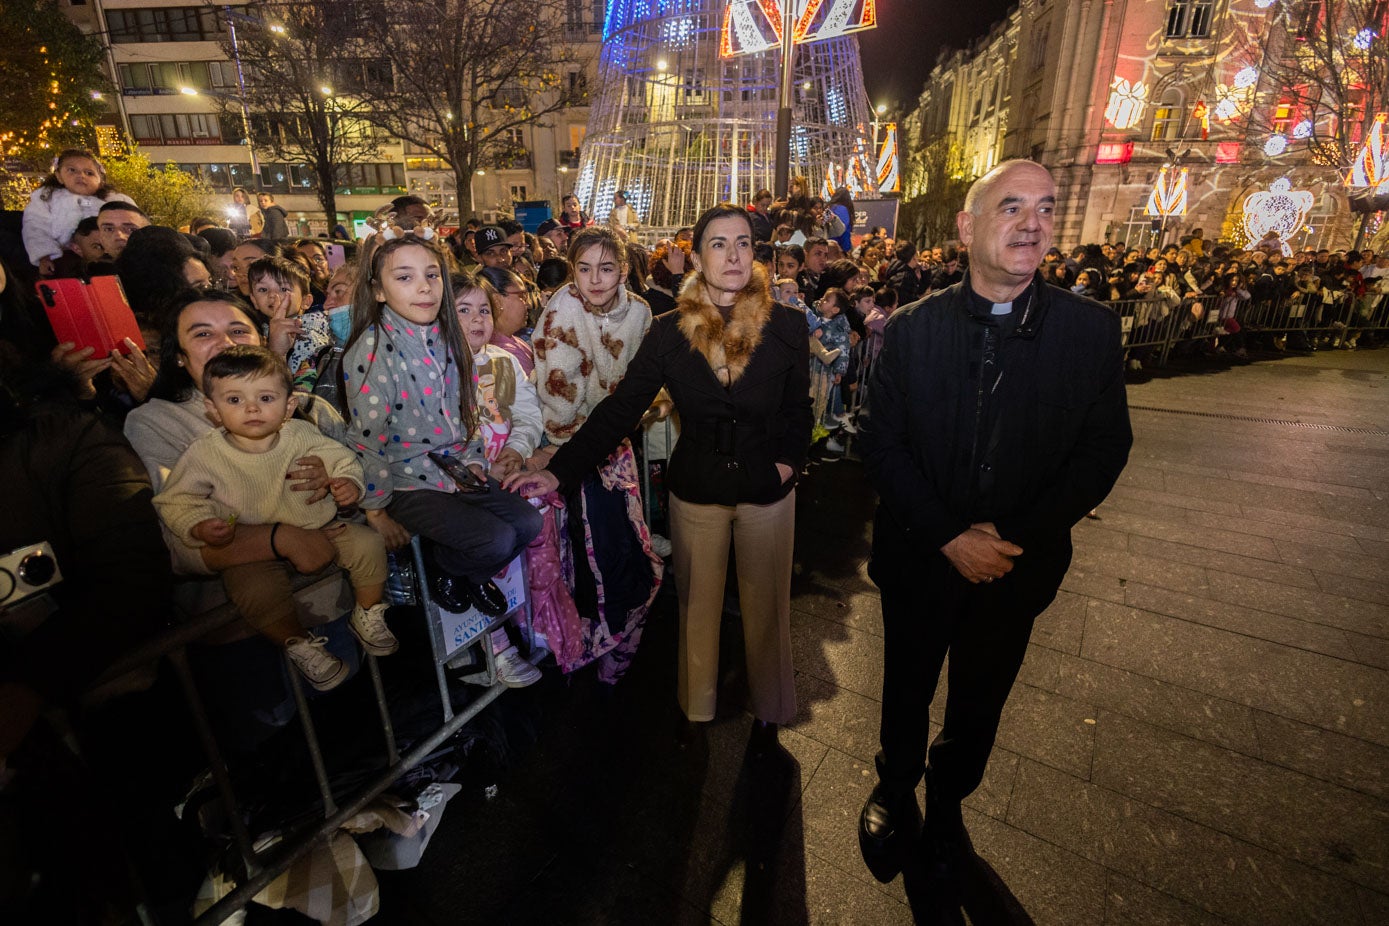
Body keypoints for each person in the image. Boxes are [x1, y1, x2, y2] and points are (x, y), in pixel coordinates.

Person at [856, 160, 1132, 888]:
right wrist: (950, 536)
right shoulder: (913, 330)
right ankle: (894, 788)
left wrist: (1010, 541)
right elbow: (878, 442)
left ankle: (948, 803)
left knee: (981, 693)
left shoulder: (1088, 331)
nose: (1031, 223)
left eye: (1044, 208)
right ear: (967, 226)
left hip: (1017, 566)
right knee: (906, 683)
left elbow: (1103, 447)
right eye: (1011, 207)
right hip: (919, 556)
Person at [506, 204, 812, 751]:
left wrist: (786, 467)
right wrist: (558, 471)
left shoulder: (786, 324)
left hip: (768, 489)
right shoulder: (670, 331)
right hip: (697, 488)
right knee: (697, 605)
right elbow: (620, 410)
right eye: (718, 244)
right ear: (696, 256)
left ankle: (772, 706)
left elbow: (798, 411)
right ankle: (697, 708)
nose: (733, 254)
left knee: (769, 606)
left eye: (743, 243)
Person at [152, 346, 396, 690]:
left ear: (289, 406)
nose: (251, 408)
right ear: (213, 410)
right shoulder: (205, 453)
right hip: (255, 547)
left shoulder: (301, 435)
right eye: (234, 400)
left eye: (265, 397)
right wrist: (199, 524)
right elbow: (176, 499)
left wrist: (347, 484)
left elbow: (342, 460)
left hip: (322, 528)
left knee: (369, 544)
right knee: (253, 589)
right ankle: (298, 643)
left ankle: (367, 611)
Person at [341, 235, 542, 618]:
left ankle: (465, 573)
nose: (423, 287)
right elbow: (367, 441)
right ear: (378, 291)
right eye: (404, 277)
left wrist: (475, 460)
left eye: (432, 275)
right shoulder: (370, 351)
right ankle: (446, 567)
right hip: (406, 482)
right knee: (496, 538)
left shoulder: (447, 338)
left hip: (455, 469)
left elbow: (466, 412)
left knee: (528, 522)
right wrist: (377, 512)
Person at [520, 226, 664, 683]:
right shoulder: (560, 310)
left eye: (606, 268)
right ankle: (589, 643)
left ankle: (619, 637)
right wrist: (564, 452)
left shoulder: (640, 313)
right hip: (567, 448)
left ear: (623, 269)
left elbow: (642, 386)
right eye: (584, 269)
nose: (595, 279)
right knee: (587, 550)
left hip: (616, 443)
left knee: (620, 543)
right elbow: (558, 396)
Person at [453, 274, 546, 687]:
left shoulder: (502, 361)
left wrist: (517, 450)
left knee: (537, 519)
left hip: (506, 470)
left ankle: (526, 624)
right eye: (464, 310)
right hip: (462, 481)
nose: (478, 320)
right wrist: (478, 466)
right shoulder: (436, 367)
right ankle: (487, 648)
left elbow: (527, 415)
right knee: (484, 542)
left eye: (484, 310)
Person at [22, 149, 136, 277]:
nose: (81, 175)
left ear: (100, 180)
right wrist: (44, 256)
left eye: (89, 173)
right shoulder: (47, 199)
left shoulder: (115, 200)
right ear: (59, 176)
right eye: (72, 170)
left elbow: (135, 223)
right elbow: (35, 227)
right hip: (68, 255)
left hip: (114, 251)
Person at [246, 255, 332, 389]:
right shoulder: (259, 332)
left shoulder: (307, 336)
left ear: (306, 301)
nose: (272, 295)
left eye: (284, 289)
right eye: (263, 289)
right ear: (254, 300)